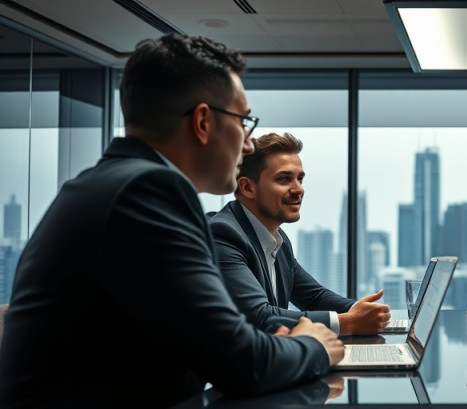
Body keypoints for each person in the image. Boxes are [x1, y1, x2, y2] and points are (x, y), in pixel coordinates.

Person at [0, 34, 344, 408]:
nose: (248, 145)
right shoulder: (147, 192)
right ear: (202, 122)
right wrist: (314, 345)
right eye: (243, 121)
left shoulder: (113, 184)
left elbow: (222, 341)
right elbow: (242, 361)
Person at [210, 132, 390, 336]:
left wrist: (364, 310)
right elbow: (259, 316)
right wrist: (348, 322)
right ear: (248, 187)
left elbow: (315, 297)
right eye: (284, 179)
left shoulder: (278, 240)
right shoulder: (223, 235)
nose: (298, 189)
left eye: (300, 179)